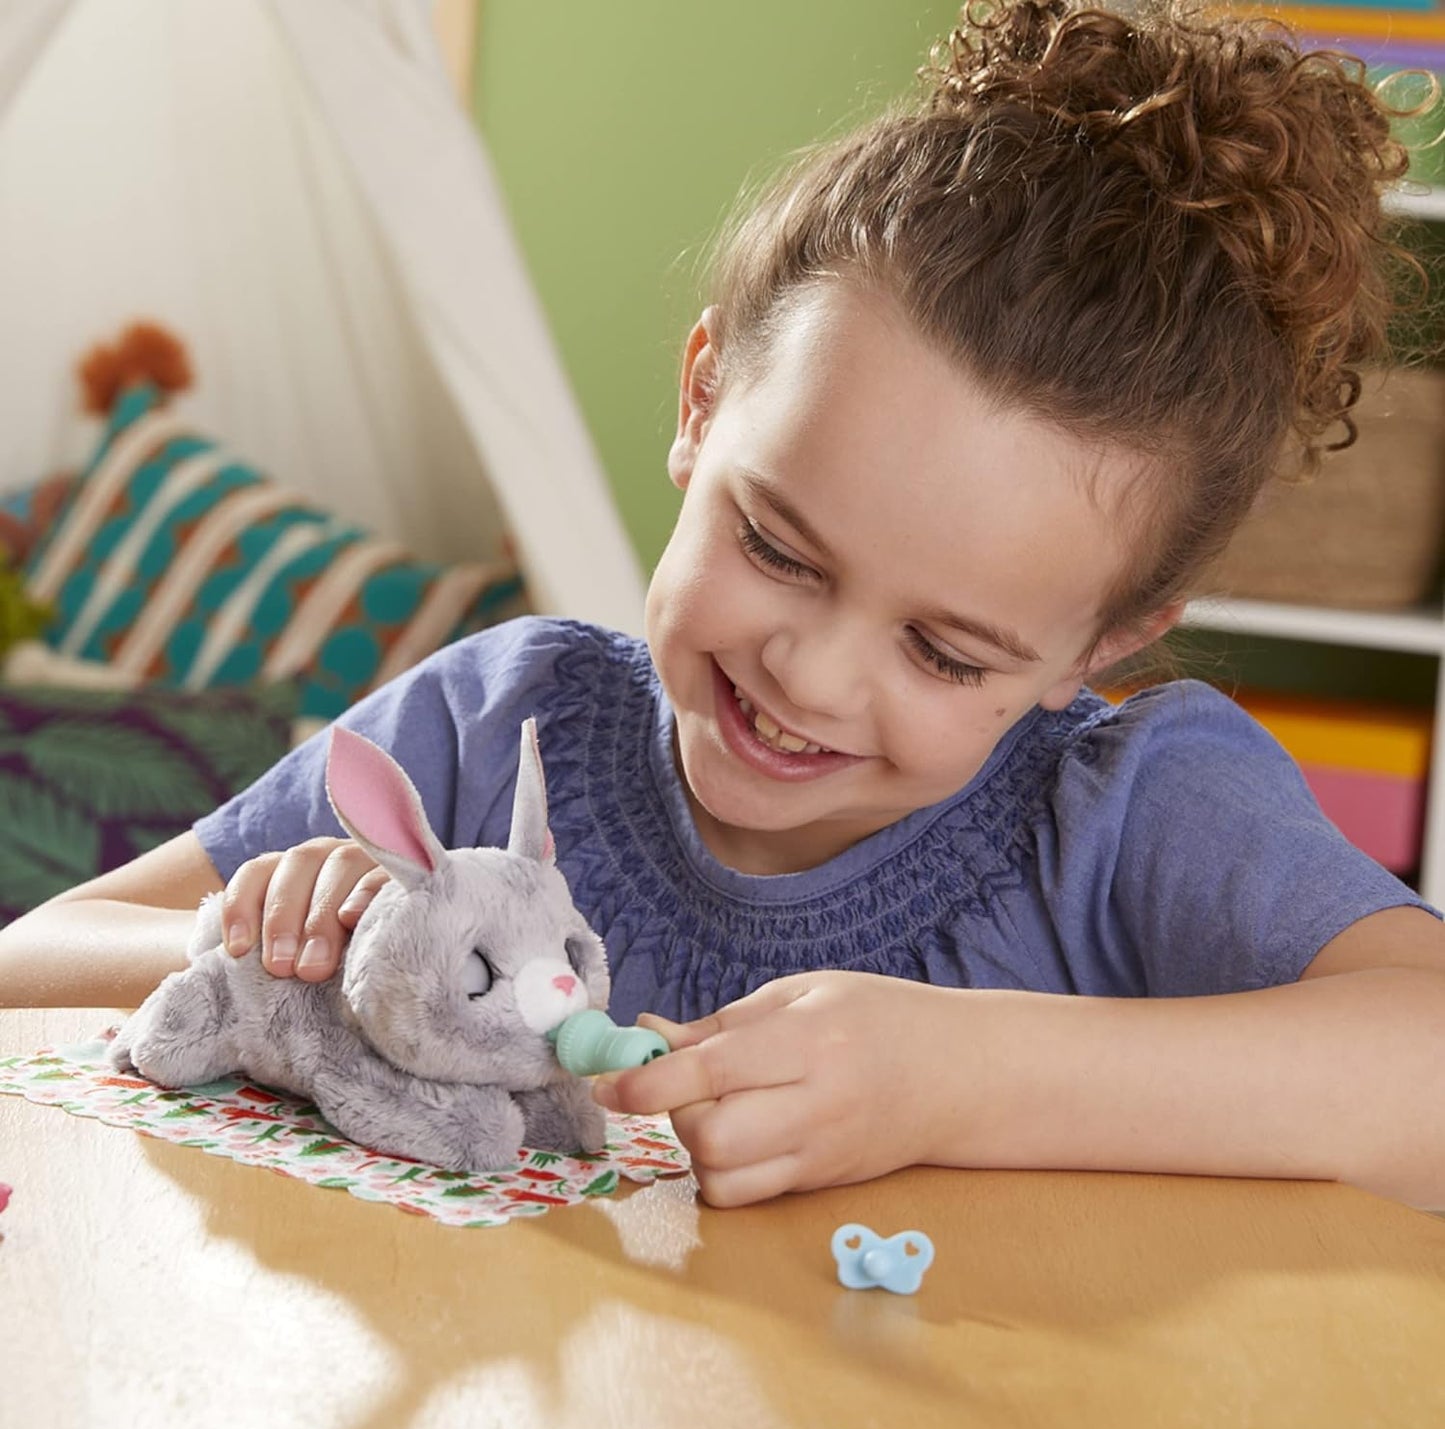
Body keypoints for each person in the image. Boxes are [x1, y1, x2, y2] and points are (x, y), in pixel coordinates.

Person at [4, 0, 1445, 1210]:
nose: (808, 673)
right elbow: (32, 961)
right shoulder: (500, 725)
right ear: (701, 401)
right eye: (777, 548)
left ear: (1107, 639)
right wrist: (345, 965)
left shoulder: (1132, 815)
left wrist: (959, 1075)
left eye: (944, 651)